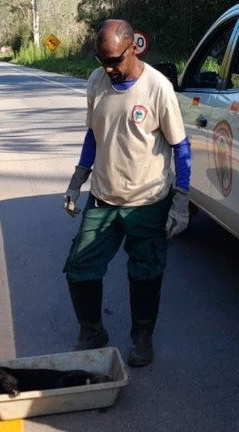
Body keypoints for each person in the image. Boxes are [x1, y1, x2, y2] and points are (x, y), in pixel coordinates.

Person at [63, 19, 191, 367]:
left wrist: (181, 202)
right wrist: (77, 181)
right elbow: (94, 135)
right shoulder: (96, 81)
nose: (108, 68)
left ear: (133, 47)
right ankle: (92, 331)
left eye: (115, 61)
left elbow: (181, 148)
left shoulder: (158, 88)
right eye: (101, 60)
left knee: (145, 271)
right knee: (79, 266)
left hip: (148, 202)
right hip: (103, 197)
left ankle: (142, 338)